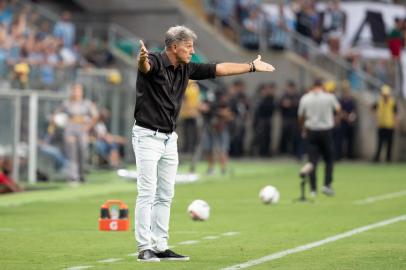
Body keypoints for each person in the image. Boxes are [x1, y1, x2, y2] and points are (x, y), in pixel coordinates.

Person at [132, 25, 275, 262]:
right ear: (174, 46)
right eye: (189, 46)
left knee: (165, 194)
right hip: (147, 135)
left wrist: (250, 66)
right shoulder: (155, 60)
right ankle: (143, 247)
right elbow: (145, 67)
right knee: (147, 192)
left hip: (169, 137)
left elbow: (219, 69)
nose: (192, 50)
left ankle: (160, 246)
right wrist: (141, 61)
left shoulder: (186, 68)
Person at [298, 79, 341, 197]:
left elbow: (301, 116)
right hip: (326, 131)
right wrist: (336, 121)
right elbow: (338, 110)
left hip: (311, 131)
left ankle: (313, 189)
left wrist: (302, 128)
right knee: (329, 159)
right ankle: (327, 184)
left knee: (312, 161)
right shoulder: (329, 97)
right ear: (322, 86)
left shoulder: (305, 98)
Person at [55, 83, 98, 185]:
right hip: (70, 128)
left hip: (82, 128)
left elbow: (95, 116)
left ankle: (81, 174)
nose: (76, 93)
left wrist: (88, 126)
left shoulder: (87, 103)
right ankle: (73, 177)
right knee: (72, 153)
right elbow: (56, 114)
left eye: (78, 90)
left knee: (83, 152)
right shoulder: (67, 103)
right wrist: (60, 123)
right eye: (74, 90)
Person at [372, 85, 398, 162]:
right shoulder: (379, 102)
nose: (385, 96)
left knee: (389, 144)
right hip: (381, 125)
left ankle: (388, 159)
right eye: (384, 95)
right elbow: (372, 108)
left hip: (390, 125)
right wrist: (375, 116)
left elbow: (395, 114)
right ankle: (377, 159)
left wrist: (395, 123)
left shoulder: (392, 103)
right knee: (379, 143)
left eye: (386, 95)